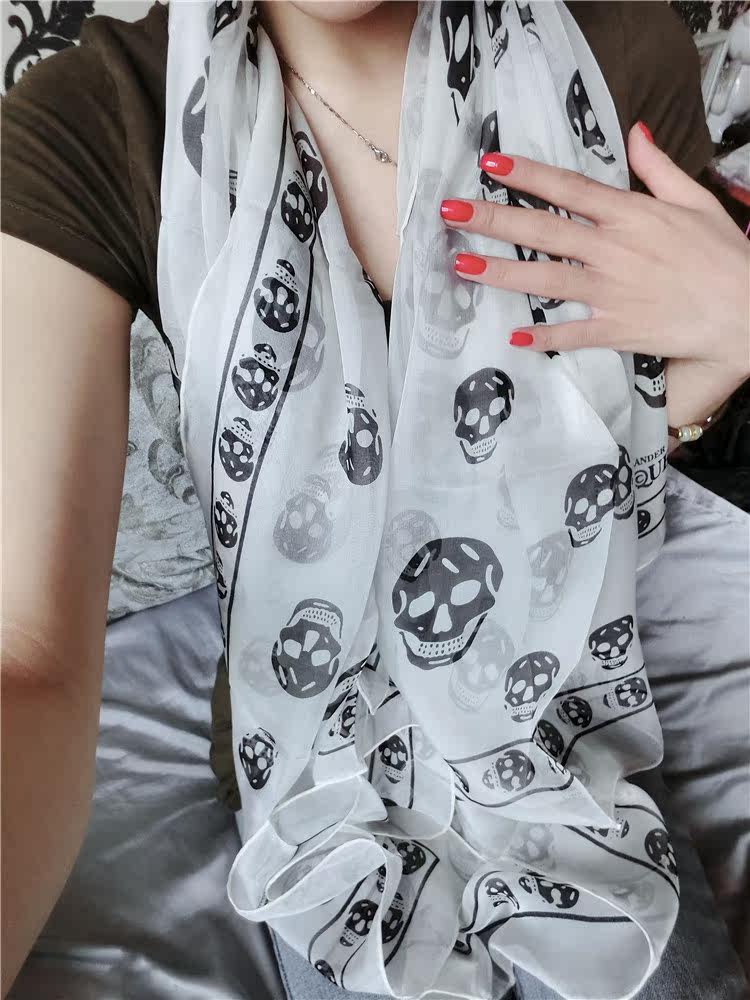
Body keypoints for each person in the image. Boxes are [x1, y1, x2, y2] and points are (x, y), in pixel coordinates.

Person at [1, 2, 748, 998]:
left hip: (561, 724)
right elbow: (26, 656)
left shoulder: (616, 48)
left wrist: (737, 331)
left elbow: (635, 438)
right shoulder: (98, 120)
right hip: (319, 763)